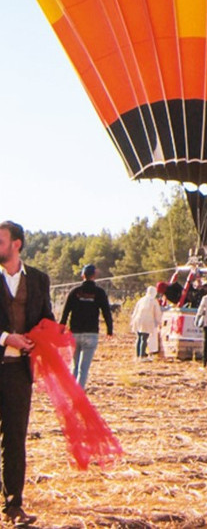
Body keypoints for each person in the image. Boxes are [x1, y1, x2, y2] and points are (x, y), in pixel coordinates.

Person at [0, 220, 54, 526]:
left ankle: (13, 506)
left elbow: (46, 317)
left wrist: (41, 336)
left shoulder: (38, 280)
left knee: (15, 438)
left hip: (18, 371)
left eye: (1, 241)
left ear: (16, 244)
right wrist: (6, 338)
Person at [60, 263, 113, 389]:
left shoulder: (75, 292)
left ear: (82, 275)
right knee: (83, 369)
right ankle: (79, 394)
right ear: (94, 275)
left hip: (74, 333)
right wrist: (109, 329)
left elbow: (66, 311)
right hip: (91, 333)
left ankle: (72, 390)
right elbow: (106, 312)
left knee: (75, 365)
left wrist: (61, 327)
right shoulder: (99, 292)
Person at [130, 286, 162, 359]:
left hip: (138, 320)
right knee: (144, 338)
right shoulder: (153, 301)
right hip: (147, 321)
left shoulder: (141, 300)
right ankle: (142, 356)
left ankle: (138, 355)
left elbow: (135, 311)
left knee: (139, 337)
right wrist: (159, 322)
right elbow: (157, 313)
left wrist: (132, 320)